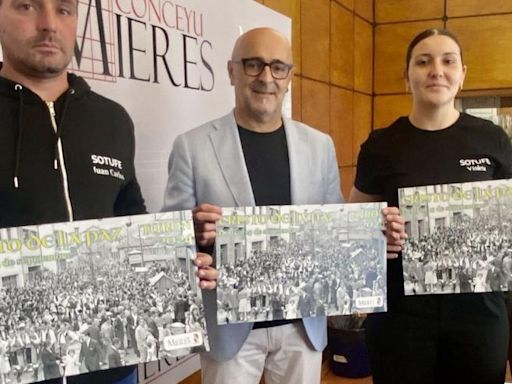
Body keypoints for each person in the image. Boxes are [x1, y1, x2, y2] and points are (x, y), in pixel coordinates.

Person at [0, 0, 218, 382]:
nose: (49, 24)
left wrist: (179, 250)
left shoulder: (112, 119)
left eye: (64, 10)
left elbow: (129, 216)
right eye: (26, 6)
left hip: (114, 371)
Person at [162, 27, 343, 384]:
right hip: (230, 330)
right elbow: (170, 239)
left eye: (278, 67)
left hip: (301, 323)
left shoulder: (320, 146)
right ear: (231, 71)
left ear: (289, 77)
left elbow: (334, 228)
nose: (265, 77)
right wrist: (193, 233)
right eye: (253, 65)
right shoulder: (192, 147)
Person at [350, 28, 512, 384]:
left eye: (447, 61)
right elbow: (354, 229)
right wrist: (376, 230)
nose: (436, 70)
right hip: (400, 317)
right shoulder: (381, 145)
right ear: (408, 76)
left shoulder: (493, 140)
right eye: (423, 62)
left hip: (479, 314)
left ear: (462, 74)